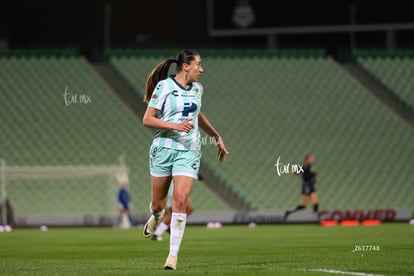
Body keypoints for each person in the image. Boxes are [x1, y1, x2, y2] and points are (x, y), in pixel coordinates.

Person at [142, 50, 229, 270]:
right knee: (158, 204)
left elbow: (197, 113)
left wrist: (216, 136)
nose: (202, 69)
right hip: (163, 149)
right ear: (185, 66)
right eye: (198, 65)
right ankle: (156, 215)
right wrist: (175, 126)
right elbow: (148, 119)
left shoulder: (198, 89)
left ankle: (172, 255)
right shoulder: (164, 87)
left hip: (189, 150)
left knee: (180, 200)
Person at [151, 174, 203, 241]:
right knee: (184, 210)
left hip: (174, 190)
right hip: (173, 191)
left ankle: (163, 230)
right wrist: (196, 176)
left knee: (187, 210)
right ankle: (159, 233)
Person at [283, 154, 318, 221]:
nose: (312, 160)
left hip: (311, 186)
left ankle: (315, 218)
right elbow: (296, 172)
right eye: (311, 158)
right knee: (304, 205)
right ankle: (289, 211)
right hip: (306, 186)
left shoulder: (311, 167)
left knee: (315, 202)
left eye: (312, 158)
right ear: (307, 160)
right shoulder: (305, 166)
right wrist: (296, 171)